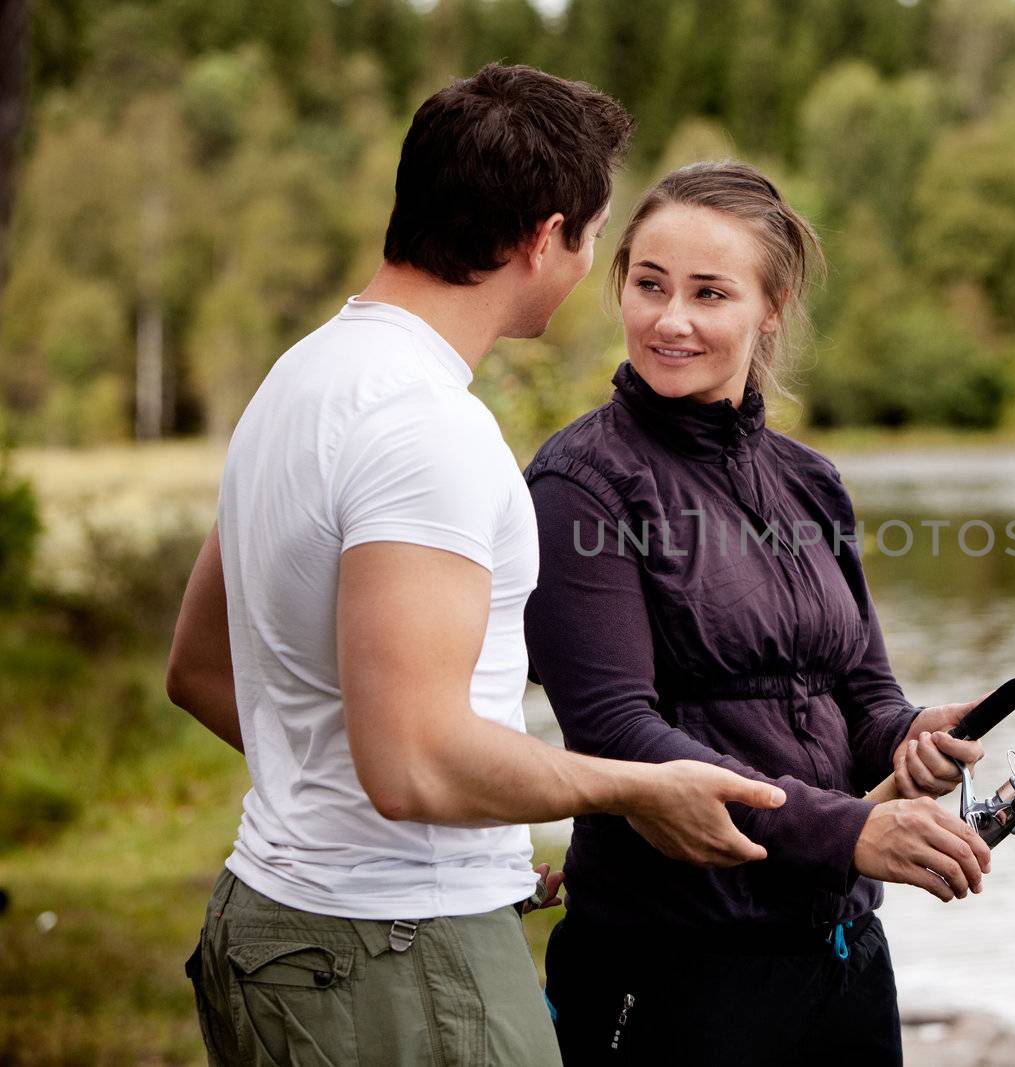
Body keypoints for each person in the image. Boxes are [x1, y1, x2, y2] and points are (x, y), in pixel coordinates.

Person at [165, 67, 787, 1067]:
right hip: (395, 959)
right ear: (545, 238)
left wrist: (471, 841)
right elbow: (412, 762)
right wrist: (635, 787)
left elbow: (197, 668)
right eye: (593, 238)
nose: (588, 263)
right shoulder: (428, 431)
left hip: (283, 927)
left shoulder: (301, 378)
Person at [522, 161, 994, 1065]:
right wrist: (853, 829)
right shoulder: (579, 486)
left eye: (710, 293)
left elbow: (864, 696)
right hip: (670, 969)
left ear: (770, 307)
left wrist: (912, 736)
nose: (672, 319)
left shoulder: (810, 481)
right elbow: (622, 734)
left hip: (841, 960)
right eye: (650, 285)